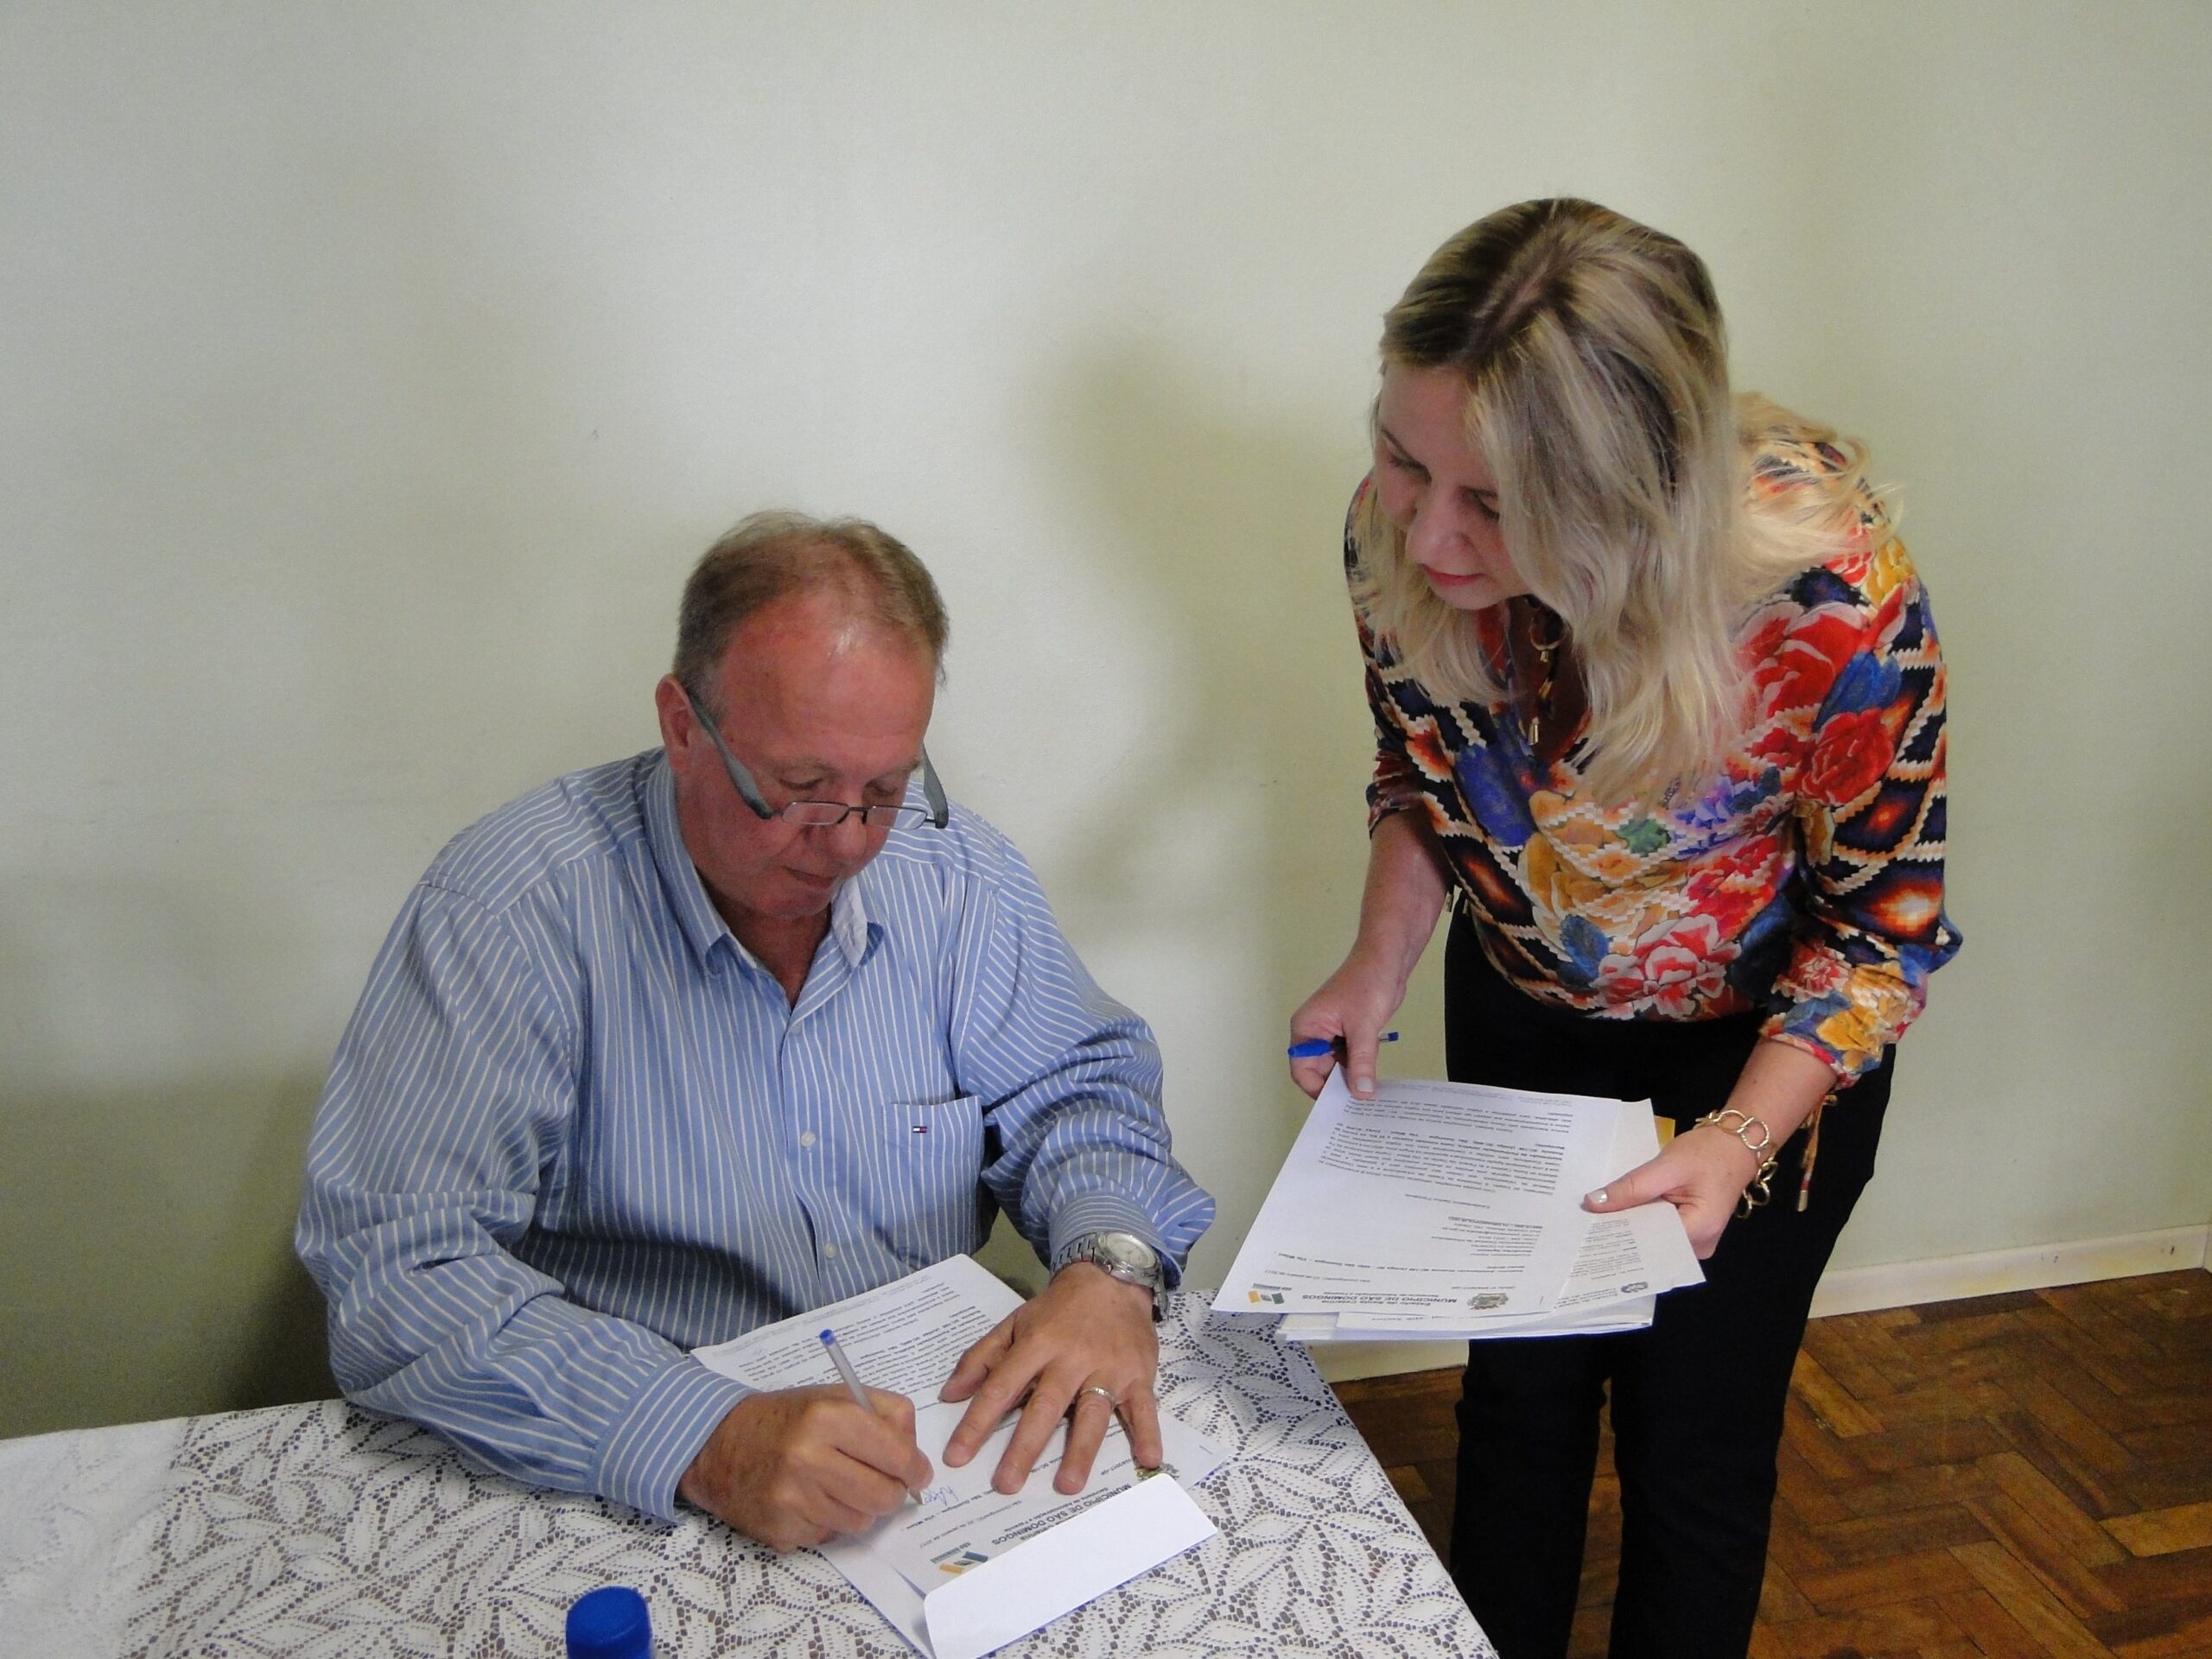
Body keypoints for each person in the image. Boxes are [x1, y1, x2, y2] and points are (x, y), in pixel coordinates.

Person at [1289, 200, 1959, 1658]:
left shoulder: (1831, 605)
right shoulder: (1393, 530)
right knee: (1517, 1404)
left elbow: (1884, 933)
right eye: (1404, 460)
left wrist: (1732, 1141)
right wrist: (1377, 961)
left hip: (1759, 1057)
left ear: (1633, 501)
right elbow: (1428, 773)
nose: (1426, 528)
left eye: (1497, 501)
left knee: (1695, 1444)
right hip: (1526, 1008)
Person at [297, 511, 1213, 1554]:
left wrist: (1107, 1264)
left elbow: (1080, 1092)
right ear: (683, 726)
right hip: (649, 1460)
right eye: (801, 790)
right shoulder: (510, 910)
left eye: (884, 788)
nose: (850, 844)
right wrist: (699, 1435)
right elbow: (399, 1268)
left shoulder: (954, 873)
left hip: (941, 1437)